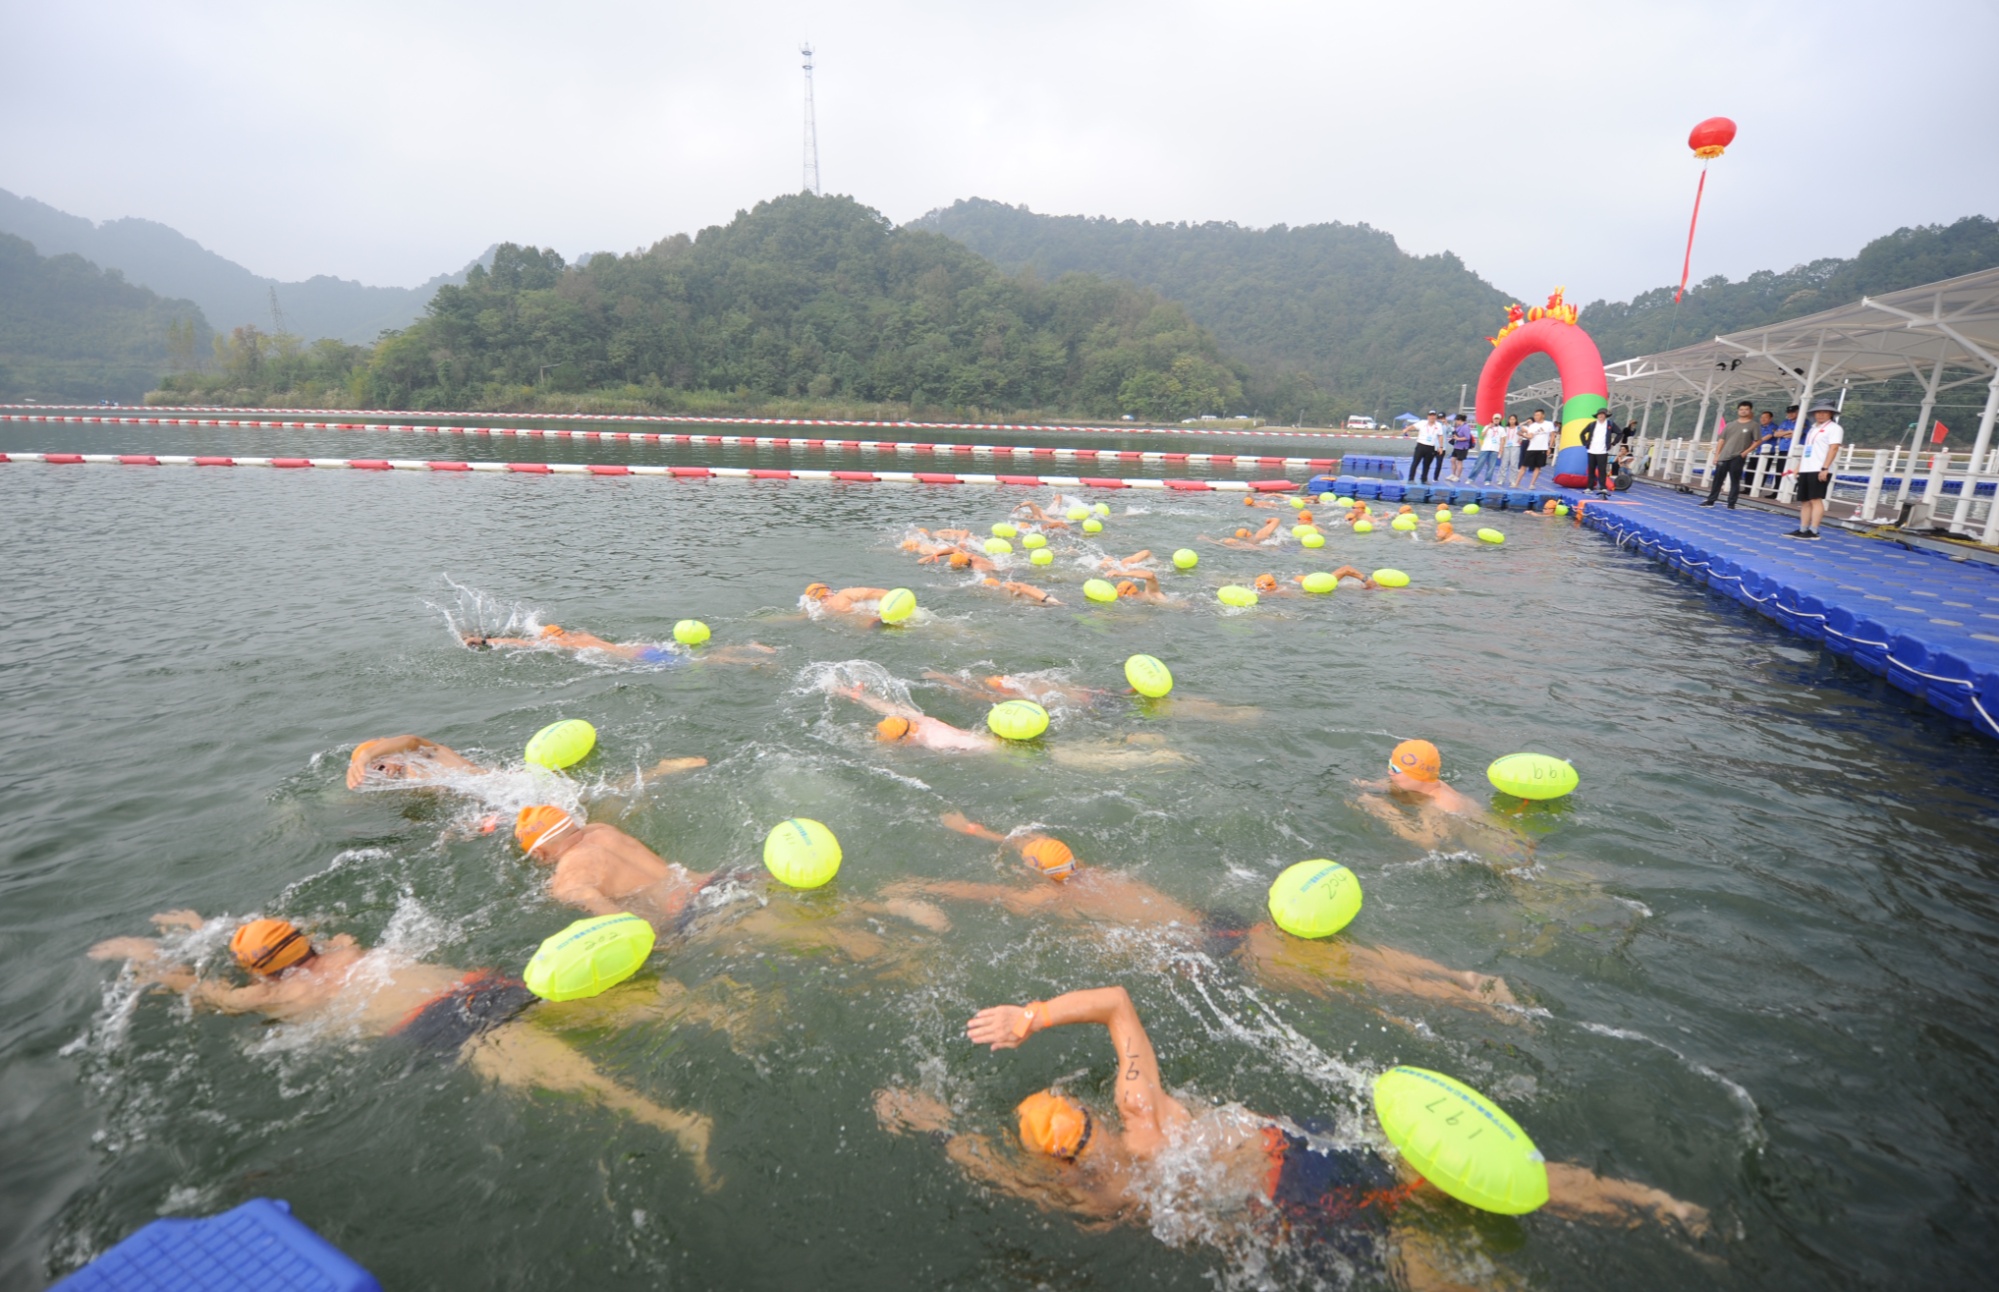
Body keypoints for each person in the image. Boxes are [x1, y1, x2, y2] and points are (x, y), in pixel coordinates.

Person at [875, 986, 1706, 1285]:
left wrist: (933, 1123)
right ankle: (1653, 1202)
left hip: (1289, 1214)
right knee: (1431, 1171)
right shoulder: (1143, 1108)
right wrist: (1031, 1015)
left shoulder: (1098, 1190)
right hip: (1294, 1148)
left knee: (1409, 1245)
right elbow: (1119, 1004)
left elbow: (986, 1168)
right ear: (1078, 1106)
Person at [89, 911, 716, 1180]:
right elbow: (283, 939)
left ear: (258, 972)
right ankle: (724, 1014)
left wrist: (146, 957)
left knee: (568, 1077)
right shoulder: (345, 949)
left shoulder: (280, 999)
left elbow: (205, 993)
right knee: (581, 1012)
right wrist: (207, 926)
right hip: (474, 986)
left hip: (439, 1022)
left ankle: (676, 1122)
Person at [892, 813, 1515, 1012]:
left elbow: (997, 891)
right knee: (1340, 956)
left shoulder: (1047, 896)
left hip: (1201, 949)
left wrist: (929, 883)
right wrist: (979, 831)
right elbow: (1040, 854)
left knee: (1345, 978)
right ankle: (1459, 978)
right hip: (1215, 920)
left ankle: (1464, 998)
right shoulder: (1095, 873)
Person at [834, 685, 1188, 768]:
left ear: (906, 737)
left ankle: (1153, 756)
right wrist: (856, 695)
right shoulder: (919, 720)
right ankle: (1137, 738)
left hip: (995, 746)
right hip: (997, 731)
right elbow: (888, 706)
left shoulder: (935, 742)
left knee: (1071, 759)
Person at [466, 624, 773, 667]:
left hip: (637, 656)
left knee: (700, 663)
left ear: (551, 637)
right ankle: (748, 646)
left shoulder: (566, 644)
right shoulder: (579, 634)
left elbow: (518, 642)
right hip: (637, 647)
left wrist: (483, 641)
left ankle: (749, 660)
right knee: (698, 656)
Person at [1788, 397, 1844, 540]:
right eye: (1818, 412)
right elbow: (1808, 449)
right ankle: (1803, 528)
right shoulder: (1813, 428)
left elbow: (1834, 448)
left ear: (1831, 414)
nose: (1820, 415)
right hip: (1807, 468)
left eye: (1825, 412)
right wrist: (1798, 468)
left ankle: (1814, 530)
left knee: (1815, 499)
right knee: (1805, 500)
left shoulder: (1834, 428)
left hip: (1819, 468)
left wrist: (1825, 468)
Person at [1699, 401, 1763, 509]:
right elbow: (1721, 440)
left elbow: (1758, 441)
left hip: (1737, 457)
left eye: (1746, 409)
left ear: (1750, 410)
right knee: (1717, 480)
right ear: (1738, 411)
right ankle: (1711, 500)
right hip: (1724, 456)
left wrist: (1744, 453)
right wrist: (1716, 455)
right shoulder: (1730, 425)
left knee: (1735, 480)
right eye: (1741, 409)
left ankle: (1731, 503)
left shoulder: (1753, 425)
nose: (1743, 411)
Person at [1583, 408, 1621, 496]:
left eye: (1602, 414)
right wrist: (1586, 443)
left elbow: (1620, 433)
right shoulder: (1592, 424)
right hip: (1592, 450)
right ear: (1597, 416)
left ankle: (1603, 487)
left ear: (1605, 415)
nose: (1600, 416)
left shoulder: (1610, 424)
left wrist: (1613, 443)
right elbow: (1582, 433)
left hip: (1602, 451)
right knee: (1591, 469)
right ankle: (1589, 487)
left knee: (1602, 470)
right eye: (1599, 414)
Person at [1517, 410, 1554, 488]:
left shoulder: (1549, 424)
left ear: (1543, 415)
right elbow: (1530, 436)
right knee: (1524, 465)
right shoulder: (1532, 426)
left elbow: (1552, 436)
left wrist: (1550, 447)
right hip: (1532, 448)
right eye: (1535, 415)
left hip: (1542, 448)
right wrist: (1523, 435)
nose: (1536, 417)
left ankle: (1532, 484)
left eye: (1538, 415)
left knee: (1538, 467)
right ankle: (1517, 483)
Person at [1409, 411, 1445, 484]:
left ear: (1435, 417)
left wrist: (1441, 447)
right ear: (1428, 416)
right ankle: (1411, 479)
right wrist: (1406, 430)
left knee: (1427, 464)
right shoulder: (1422, 422)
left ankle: (1424, 479)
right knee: (1415, 462)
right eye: (1430, 415)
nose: (1432, 417)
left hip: (1431, 447)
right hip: (1421, 445)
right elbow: (1413, 426)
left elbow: (1440, 436)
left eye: (1433, 415)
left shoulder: (1438, 425)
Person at [1468, 414, 1504, 485]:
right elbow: (1482, 435)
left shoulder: (1501, 429)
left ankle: (1488, 480)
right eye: (1495, 419)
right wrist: (1489, 428)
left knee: (1491, 466)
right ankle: (1471, 478)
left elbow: (1502, 440)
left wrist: (1501, 449)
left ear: (1500, 420)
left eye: (1498, 419)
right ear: (1492, 419)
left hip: (1495, 449)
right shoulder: (1487, 426)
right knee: (1479, 463)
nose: (1496, 420)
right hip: (1485, 448)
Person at [1446, 414, 1475, 482]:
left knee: (1459, 462)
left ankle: (1457, 477)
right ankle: (1453, 474)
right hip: (1457, 446)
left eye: (1456, 420)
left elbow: (1467, 437)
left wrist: (1458, 438)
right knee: (1452, 460)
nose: (1456, 422)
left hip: (1463, 447)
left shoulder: (1465, 427)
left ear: (1459, 420)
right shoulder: (1459, 427)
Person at [1500, 413, 1523, 486]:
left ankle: (1513, 480)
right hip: (1506, 447)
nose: (1512, 421)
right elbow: (1502, 438)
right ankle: (1501, 479)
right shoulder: (1505, 428)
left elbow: (1523, 433)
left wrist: (1521, 438)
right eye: (1510, 419)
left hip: (1515, 446)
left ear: (1516, 420)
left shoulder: (1518, 427)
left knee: (1514, 464)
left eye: (1513, 419)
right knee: (1504, 463)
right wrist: (1501, 447)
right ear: (1508, 420)